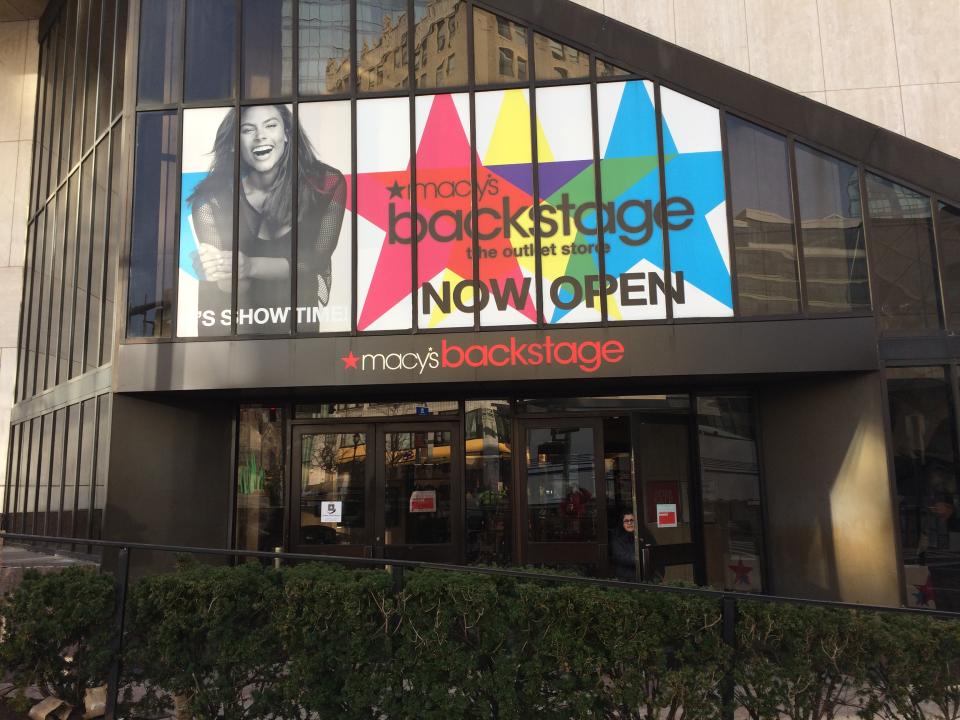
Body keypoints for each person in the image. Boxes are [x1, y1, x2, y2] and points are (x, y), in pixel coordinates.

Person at [189, 104, 346, 334]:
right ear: (235, 144)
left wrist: (250, 265)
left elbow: (313, 262)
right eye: (247, 130)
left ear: (287, 134)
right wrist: (220, 270)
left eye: (271, 125)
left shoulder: (326, 184)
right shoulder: (211, 199)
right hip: (234, 332)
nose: (260, 136)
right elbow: (229, 288)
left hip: (298, 328)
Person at [609, 511, 658, 582]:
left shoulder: (645, 534)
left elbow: (655, 552)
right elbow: (622, 556)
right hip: (626, 578)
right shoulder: (617, 537)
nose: (629, 523)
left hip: (646, 577)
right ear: (622, 523)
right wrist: (642, 559)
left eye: (632, 520)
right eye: (626, 521)